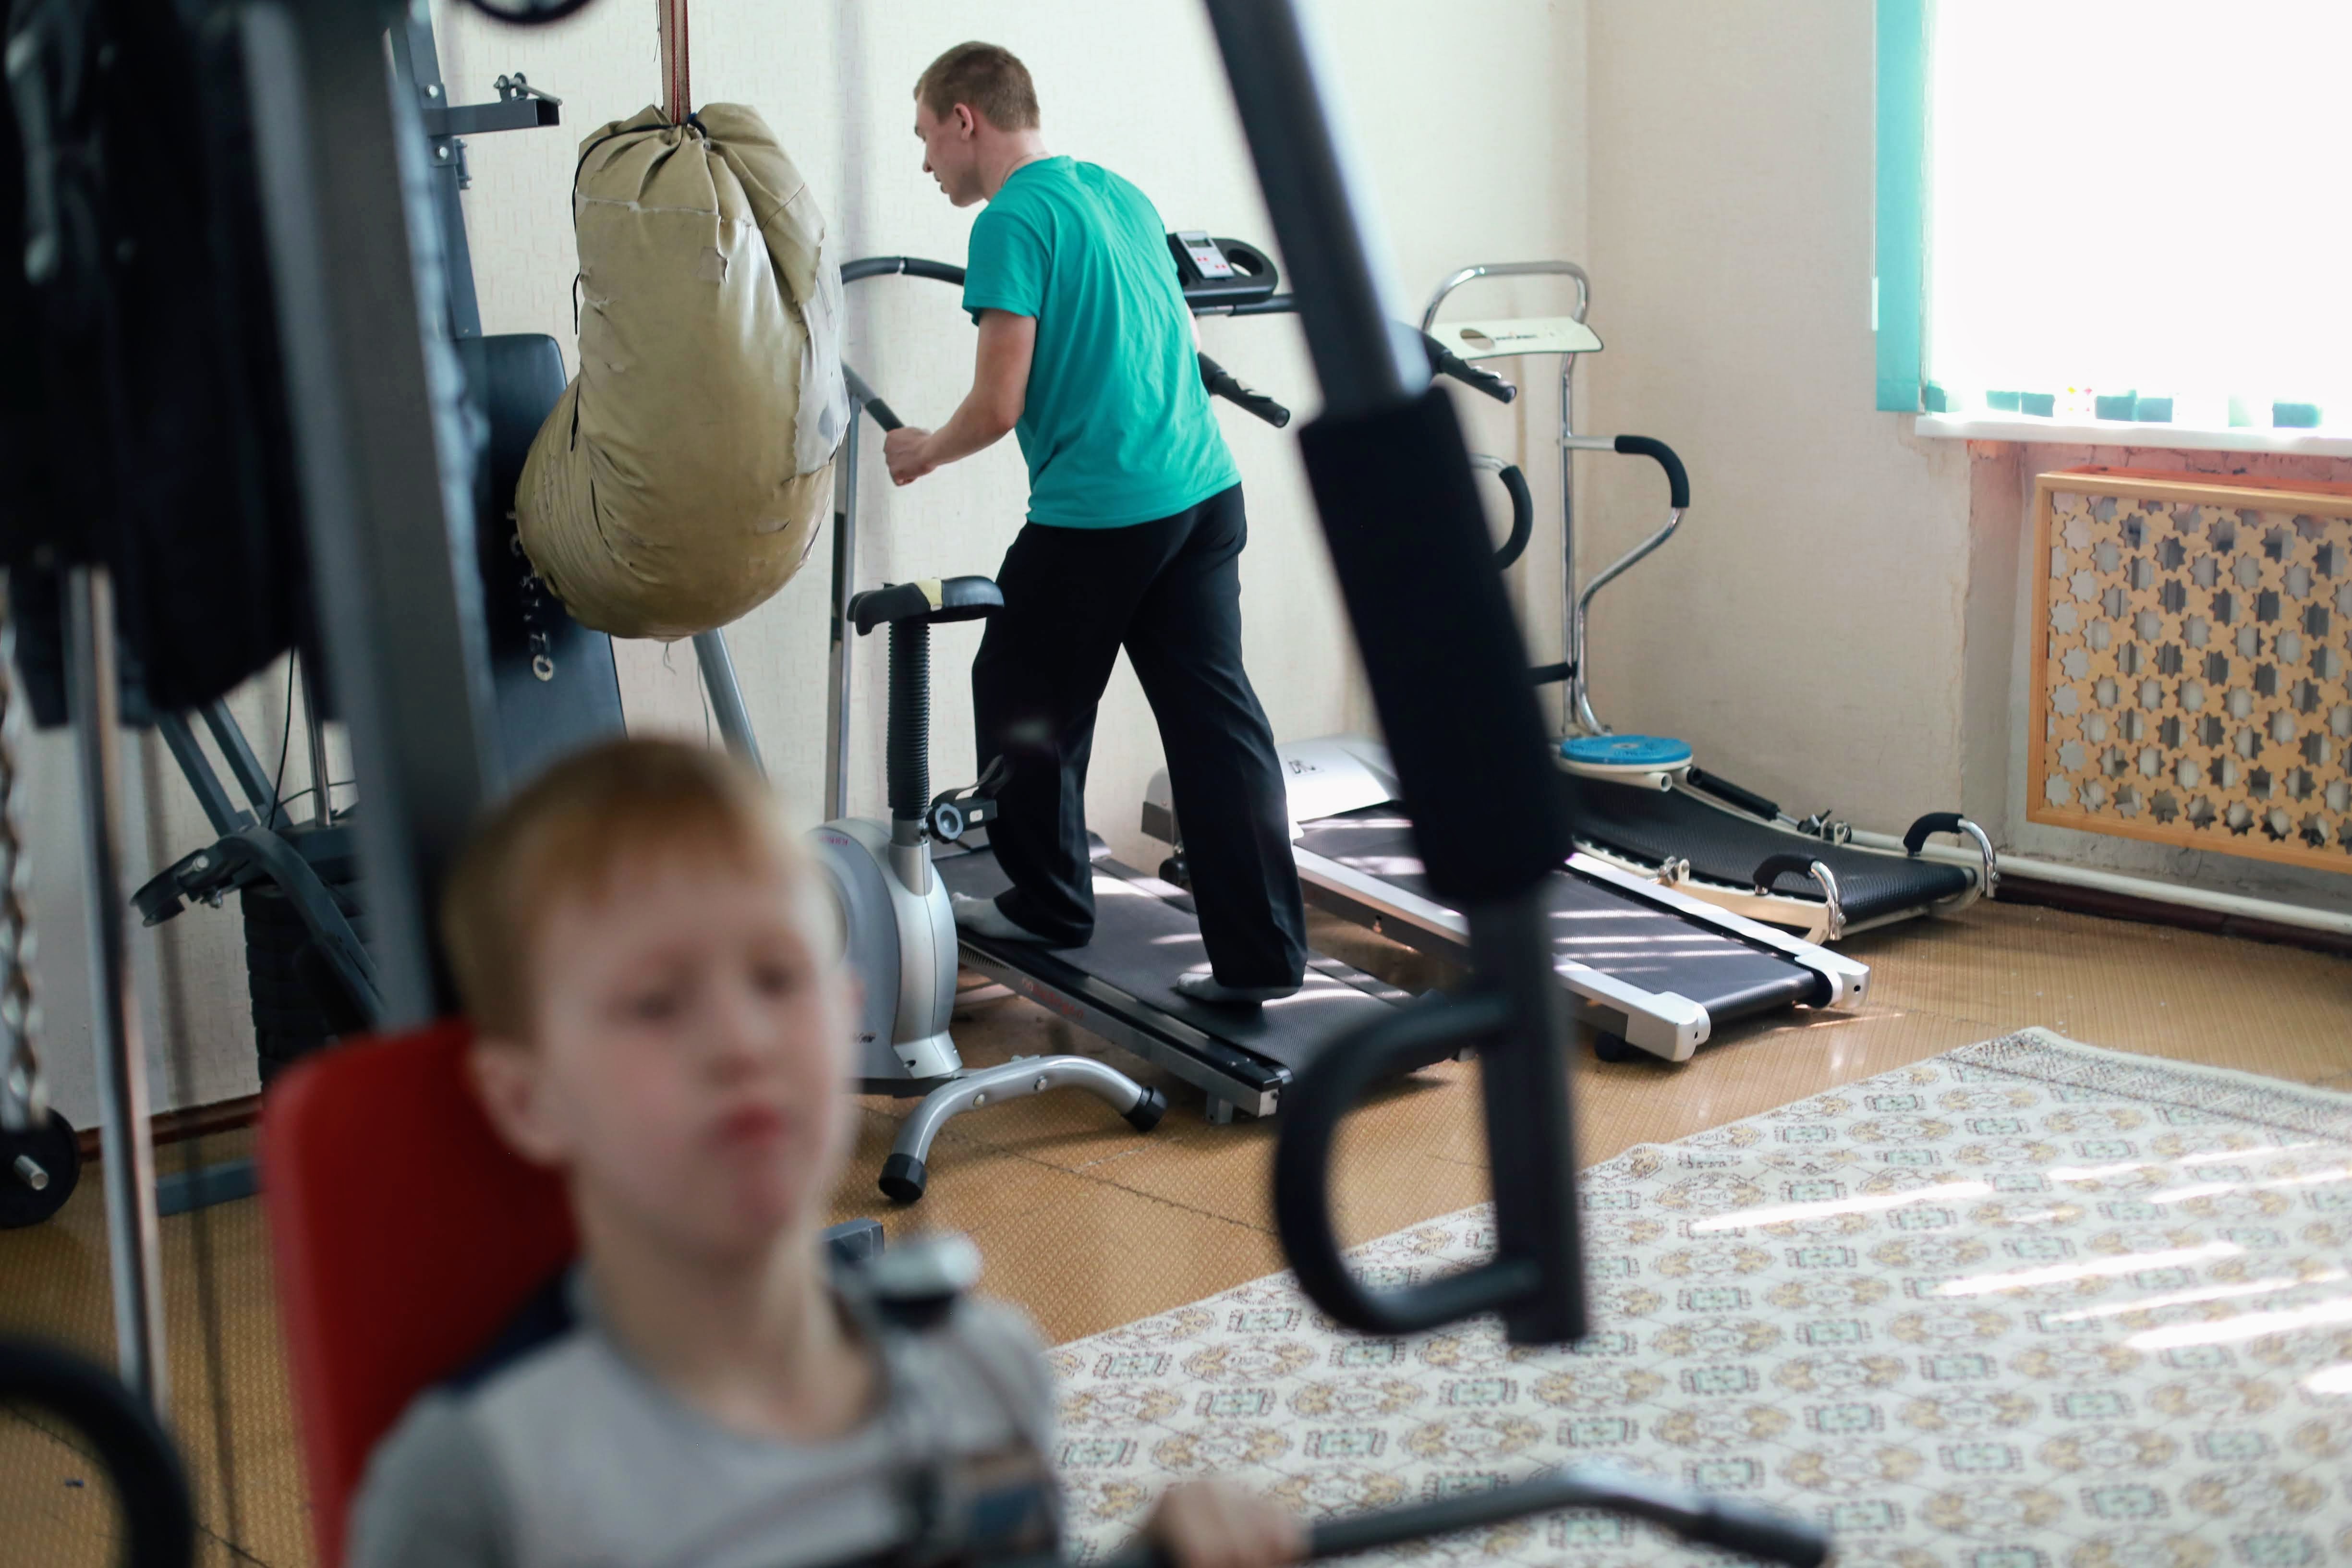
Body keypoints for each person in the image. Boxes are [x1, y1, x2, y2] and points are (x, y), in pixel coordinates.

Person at [348, 738, 1303, 1568]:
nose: (741, 1042)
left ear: (845, 1013)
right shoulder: (479, 1485)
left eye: (777, 979)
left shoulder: (985, 1373)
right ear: (529, 1097)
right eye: (655, 1003)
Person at [884, 42, 1309, 1006]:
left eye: (925, 137)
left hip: (1106, 510)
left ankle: (1048, 902)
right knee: (1216, 723)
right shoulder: (1118, 193)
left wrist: (924, 451)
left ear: (965, 120)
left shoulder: (1009, 220)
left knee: (1018, 687)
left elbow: (998, 404)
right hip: (1204, 493)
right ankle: (1264, 957)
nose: (925, 162)